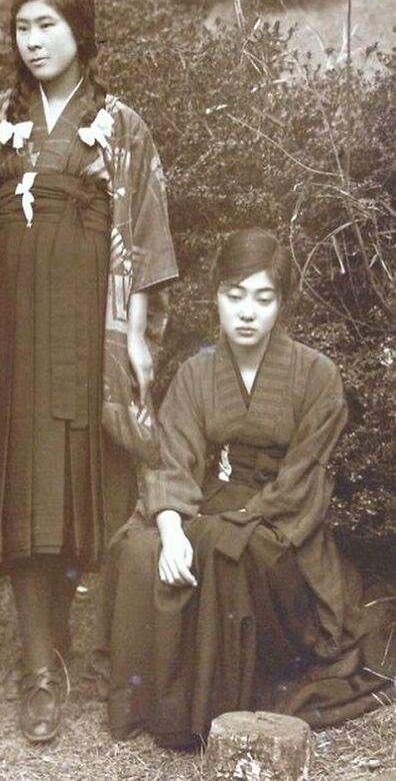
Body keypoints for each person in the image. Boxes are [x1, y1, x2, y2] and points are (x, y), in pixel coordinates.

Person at [0, 0, 177, 743]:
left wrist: (137, 336)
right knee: (25, 484)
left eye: (48, 25)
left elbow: (145, 238)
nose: (34, 40)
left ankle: (78, 645)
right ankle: (37, 666)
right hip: (13, 331)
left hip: (90, 328)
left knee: (86, 480)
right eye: (22, 26)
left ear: (81, 32)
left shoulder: (120, 125)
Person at [103, 228, 391, 746]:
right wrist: (171, 528)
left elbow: (305, 480)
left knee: (228, 549)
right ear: (216, 296)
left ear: (281, 302)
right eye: (234, 297)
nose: (247, 313)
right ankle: (155, 703)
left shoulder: (317, 375)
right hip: (215, 497)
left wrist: (221, 529)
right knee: (140, 547)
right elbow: (173, 459)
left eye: (263, 298)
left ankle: (210, 706)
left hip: (283, 525)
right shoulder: (196, 374)